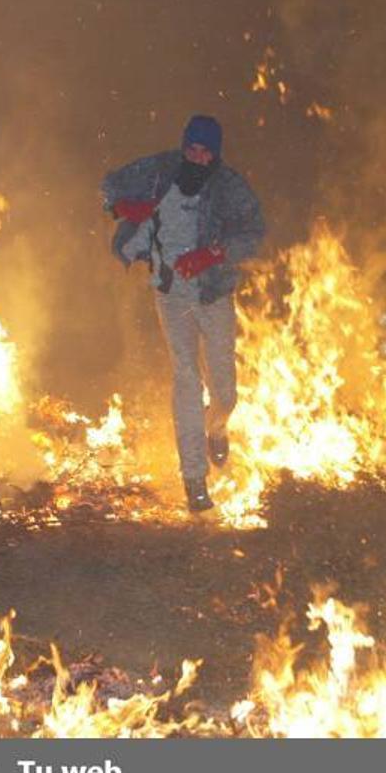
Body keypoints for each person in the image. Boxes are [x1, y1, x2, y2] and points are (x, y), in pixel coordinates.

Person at [101, 115, 266, 512]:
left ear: (215, 154)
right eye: (191, 148)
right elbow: (110, 185)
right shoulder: (161, 170)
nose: (197, 156)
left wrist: (213, 253)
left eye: (205, 151)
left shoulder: (228, 186)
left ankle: (218, 425)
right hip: (171, 293)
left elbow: (254, 233)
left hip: (213, 293)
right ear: (184, 146)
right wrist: (123, 206)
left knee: (225, 390)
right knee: (187, 379)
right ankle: (194, 479)